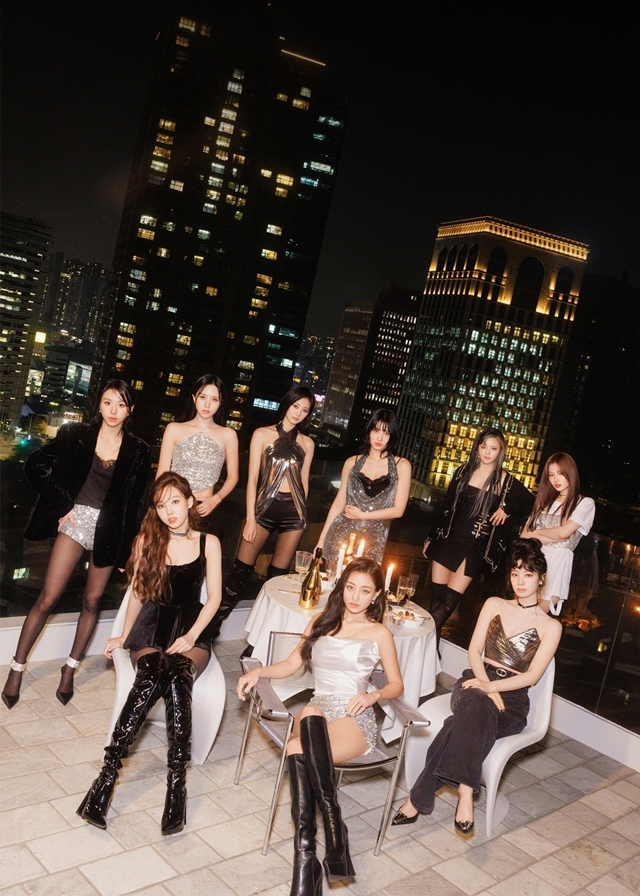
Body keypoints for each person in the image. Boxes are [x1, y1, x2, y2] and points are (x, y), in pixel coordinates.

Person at [237, 558, 403, 894]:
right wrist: (259, 671)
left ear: (376, 595)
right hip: (318, 711)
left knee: (296, 746)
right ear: (342, 587)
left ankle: (306, 859)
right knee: (311, 710)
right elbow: (290, 664)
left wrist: (373, 696)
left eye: (365, 591)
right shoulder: (320, 621)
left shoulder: (379, 632)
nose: (355, 596)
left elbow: (397, 685)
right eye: (351, 587)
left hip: (353, 716)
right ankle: (332, 828)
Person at [77, 471, 222, 835]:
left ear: (190, 502)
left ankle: (177, 786)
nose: (169, 511)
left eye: (175, 501)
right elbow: (139, 594)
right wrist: (123, 635)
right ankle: (105, 780)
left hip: (190, 626)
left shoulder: (209, 542)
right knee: (151, 674)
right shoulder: (148, 540)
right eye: (161, 505)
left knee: (178, 678)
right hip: (153, 624)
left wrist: (191, 636)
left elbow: (215, 598)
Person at [393, 538, 561, 835]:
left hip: (512, 699)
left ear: (541, 579)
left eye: (528, 574)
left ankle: (418, 798)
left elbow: (532, 677)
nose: (520, 581)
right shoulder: (494, 604)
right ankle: (467, 790)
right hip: (475, 680)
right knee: (477, 702)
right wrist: (485, 683)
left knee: (458, 724)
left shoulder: (551, 626)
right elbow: (474, 651)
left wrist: (493, 689)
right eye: (515, 573)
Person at [2, 380, 151, 710]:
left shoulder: (139, 450)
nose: (113, 410)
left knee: (92, 600)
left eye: (121, 405)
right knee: (48, 597)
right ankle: (16, 668)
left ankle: (69, 669)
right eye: (108, 402)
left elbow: (135, 504)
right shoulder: (76, 434)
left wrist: (128, 551)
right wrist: (62, 504)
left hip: (109, 530)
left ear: (130, 410)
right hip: (74, 522)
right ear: (99, 404)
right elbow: (34, 465)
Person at [423, 427, 533, 646]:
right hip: (448, 539)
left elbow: (531, 503)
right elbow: (446, 506)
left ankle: (417, 640)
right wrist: (430, 537)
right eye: (484, 447)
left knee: (447, 605)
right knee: (436, 601)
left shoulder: (506, 481)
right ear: (477, 448)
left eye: (493, 448)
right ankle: (430, 654)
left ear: (500, 451)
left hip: (474, 546)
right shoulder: (463, 471)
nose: (487, 452)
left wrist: (507, 509)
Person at [220, 386, 315, 623]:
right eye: (296, 406)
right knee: (239, 573)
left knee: (276, 580)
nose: (299, 413)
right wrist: (250, 519)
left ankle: (261, 637)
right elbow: (252, 479)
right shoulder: (262, 434)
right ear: (287, 404)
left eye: (305, 410)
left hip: (294, 513)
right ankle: (209, 631)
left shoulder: (307, 443)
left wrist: (302, 515)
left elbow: (304, 483)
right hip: (263, 509)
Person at [316, 409, 412, 567]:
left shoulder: (401, 465)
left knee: (364, 580)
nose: (380, 437)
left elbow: (398, 510)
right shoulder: (352, 462)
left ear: (392, 436)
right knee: (333, 581)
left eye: (386, 433)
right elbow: (339, 503)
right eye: (376, 430)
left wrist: (362, 515)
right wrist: (321, 541)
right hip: (340, 534)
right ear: (368, 431)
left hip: (372, 540)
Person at [156, 374, 238, 523]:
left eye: (214, 399)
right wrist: (160, 504)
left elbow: (233, 476)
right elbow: (162, 473)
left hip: (203, 509)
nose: (207, 404)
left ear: (220, 403)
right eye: (203, 397)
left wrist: (217, 498)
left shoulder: (228, 435)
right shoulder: (174, 429)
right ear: (194, 398)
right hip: (172, 504)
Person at [520, 453, 595, 615]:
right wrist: (552, 535)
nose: (556, 479)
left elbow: (563, 534)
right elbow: (524, 536)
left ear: (571, 473)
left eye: (560, 473)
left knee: (535, 615)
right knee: (520, 611)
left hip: (558, 563)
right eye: (551, 475)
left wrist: (536, 534)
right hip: (533, 559)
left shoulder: (584, 503)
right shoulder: (544, 501)